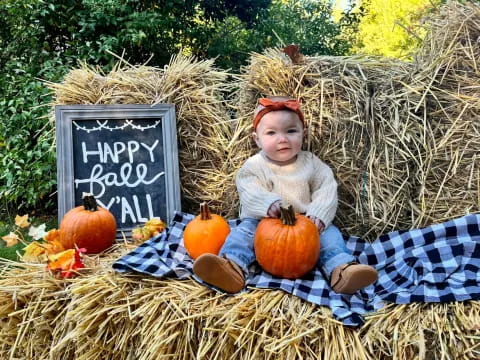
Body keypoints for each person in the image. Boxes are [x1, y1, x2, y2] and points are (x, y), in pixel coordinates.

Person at [193, 96, 378, 294]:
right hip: (263, 221)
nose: (282, 139)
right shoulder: (255, 165)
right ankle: (232, 266)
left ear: (303, 134)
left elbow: (326, 188)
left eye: (291, 131)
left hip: (307, 223)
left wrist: (319, 213)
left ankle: (341, 270)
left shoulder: (311, 163)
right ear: (257, 139)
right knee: (243, 234)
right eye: (271, 133)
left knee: (331, 236)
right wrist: (268, 203)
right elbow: (248, 188)